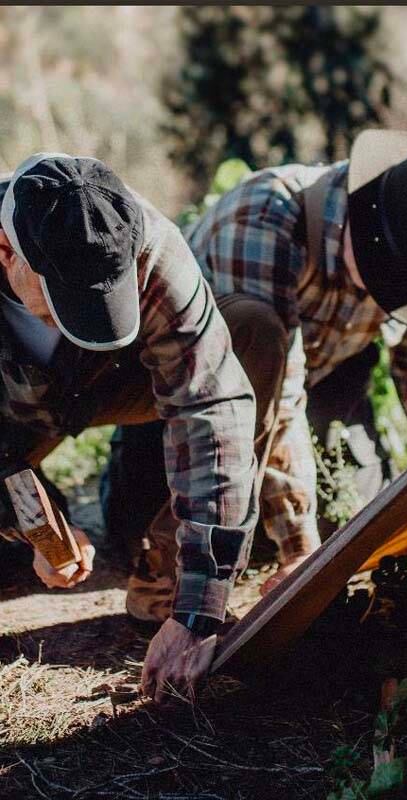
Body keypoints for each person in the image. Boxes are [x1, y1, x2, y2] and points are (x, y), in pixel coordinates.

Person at [108, 130, 407, 601]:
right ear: (363, 223)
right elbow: (275, 390)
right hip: (196, 401)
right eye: (389, 281)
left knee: (350, 525)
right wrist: (299, 547)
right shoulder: (261, 219)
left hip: (328, 380)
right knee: (136, 536)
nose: (397, 297)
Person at [0, 153, 261, 704]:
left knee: (251, 332)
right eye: (65, 308)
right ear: (7, 255)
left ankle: (154, 544)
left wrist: (198, 608)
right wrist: (35, 523)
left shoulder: (149, 244)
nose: (87, 325)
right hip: (15, 411)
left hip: (113, 386)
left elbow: (213, 408)